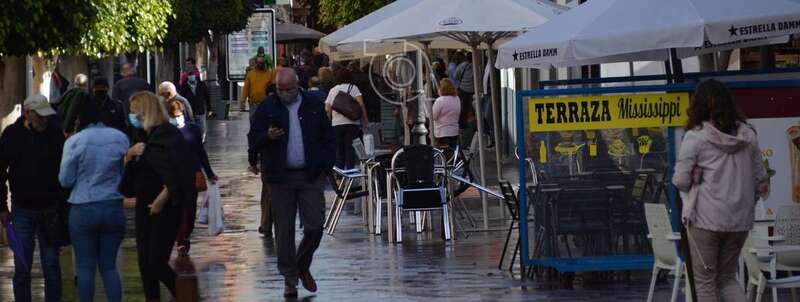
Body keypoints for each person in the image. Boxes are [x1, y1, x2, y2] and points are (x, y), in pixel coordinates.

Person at [672, 80, 770, 302]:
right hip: (739, 221)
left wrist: (695, 181)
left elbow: (680, 180)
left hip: (704, 220)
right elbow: (761, 179)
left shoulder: (696, 137)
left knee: (705, 281)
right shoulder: (748, 136)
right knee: (727, 277)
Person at [248, 68, 335, 298]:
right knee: (283, 230)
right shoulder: (268, 107)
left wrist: (326, 165)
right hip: (280, 177)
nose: (285, 94)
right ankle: (290, 278)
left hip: (310, 175)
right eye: (280, 90)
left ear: (298, 86)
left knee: (315, 225)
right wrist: (267, 137)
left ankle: (301, 263)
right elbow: (253, 137)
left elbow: (328, 137)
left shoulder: (313, 104)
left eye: (289, 90)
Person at [123, 91, 197, 301]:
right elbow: (128, 184)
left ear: (145, 111)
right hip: (144, 208)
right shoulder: (143, 138)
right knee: (145, 266)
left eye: (134, 111)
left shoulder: (167, 136)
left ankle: (185, 296)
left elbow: (177, 174)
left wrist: (160, 200)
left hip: (164, 210)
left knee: (156, 262)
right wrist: (128, 157)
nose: (131, 115)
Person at [59, 99, 129, 302]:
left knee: (85, 266)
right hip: (112, 205)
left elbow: (65, 180)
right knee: (109, 266)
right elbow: (126, 173)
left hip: (82, 207)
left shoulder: (75, 141)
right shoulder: (120, 138)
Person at [0, 95, 65, 302]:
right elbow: (0, 172)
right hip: (22, 209)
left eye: (47, 116)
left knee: (52, 266)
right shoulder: (12, 135)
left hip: (51, 208)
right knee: (22, 266)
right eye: (40, 115)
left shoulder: (55, 133)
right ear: (28, 113)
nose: (45, 120)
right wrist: (3, 207)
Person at [165, 99, 217, 255]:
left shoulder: (193, 129)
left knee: (189, 210)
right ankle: (180, 239)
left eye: (179, 114)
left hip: (192, 174)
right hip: (172, 175)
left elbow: (201, 152)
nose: (177, 117)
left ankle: (184, 236)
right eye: (173, 115)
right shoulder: (164, 130)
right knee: (177, 208)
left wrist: (209, 173)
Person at [324, 68, 368, 170]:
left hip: (336, 124)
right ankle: (350, 173)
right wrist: (365, 120)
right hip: (352, 123)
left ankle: (340, 176)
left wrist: (328, 122)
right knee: (350, 149)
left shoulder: (333, 90)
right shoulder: (354, 88)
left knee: (339, 150)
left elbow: (327, 108)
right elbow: (361, 105)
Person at [178, 59, 213, 141]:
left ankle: (201, 140)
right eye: (189, 75)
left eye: (192, 75)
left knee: (202, 128)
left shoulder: (201, 84)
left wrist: (209, 109)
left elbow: (207, 96)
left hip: (200, 110)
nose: (191, 76)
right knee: (191, 128)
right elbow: (181, 96)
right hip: (190, 110)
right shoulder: (184, 84)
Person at [432, 78, 461, 149]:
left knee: (443, 154)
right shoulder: (457, 98)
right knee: (452, 152)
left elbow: (433, 116)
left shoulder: (440, 100)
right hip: (454, 131)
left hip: (442, 132)